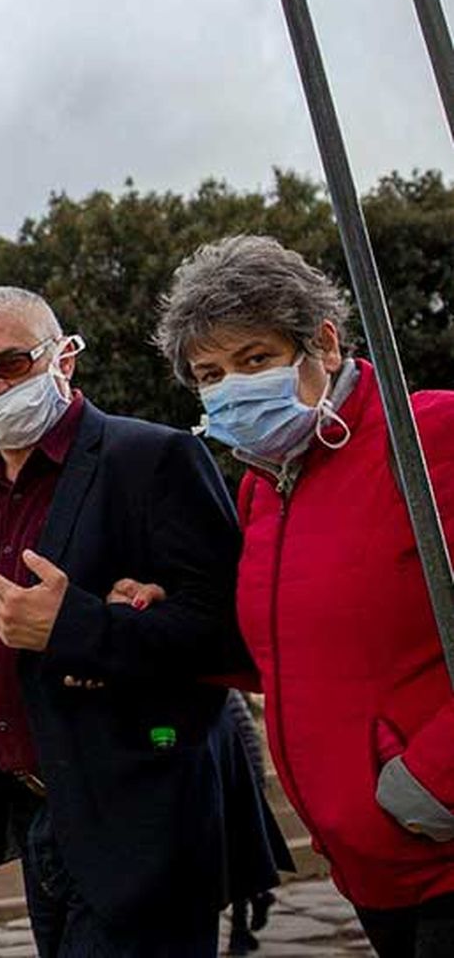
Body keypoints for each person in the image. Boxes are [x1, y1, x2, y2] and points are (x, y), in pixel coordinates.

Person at [0, 286, 279, 956]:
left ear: (63, 359)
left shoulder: (153, 459)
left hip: (145, 818)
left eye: (13, 364)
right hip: (41, 816)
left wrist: (78, 626)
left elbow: (232, 633)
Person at [153, 235, 454, 956]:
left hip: (440, 856)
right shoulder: (265, 486)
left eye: (255, 359)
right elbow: (281, 649)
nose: (232, 386)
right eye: (210, 373)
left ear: (323, 341)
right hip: (367, 872)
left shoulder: (431, 435)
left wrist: (432, 787)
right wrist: (150, 616)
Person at [222, 689, 278, 955]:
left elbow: (248, 737)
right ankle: (260, 897)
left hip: (239, 788)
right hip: (221, 787)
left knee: (237, 863)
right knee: (235, 864)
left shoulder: (229, 696)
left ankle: (240, 932)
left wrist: (254, 785)